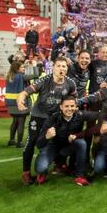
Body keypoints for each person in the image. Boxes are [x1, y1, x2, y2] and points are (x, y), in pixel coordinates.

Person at [17, 57, 77, 185]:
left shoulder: (70, 83)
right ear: (53, 67)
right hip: (38, 116)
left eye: (64, 66)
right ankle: (26, 173)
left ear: (67, 68)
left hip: (56, 118)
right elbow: (25, 92)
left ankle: (58, 165)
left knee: (59, 140)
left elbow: (74, 100)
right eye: (59, 66)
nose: (61, 69)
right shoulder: (44, 80)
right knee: (32, 142)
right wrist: (20, 99)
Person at [34, 96, 98, 186]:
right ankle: (44, 171)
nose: (69, 109)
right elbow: (39, 144)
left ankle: (79, 175)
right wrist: (46, 136)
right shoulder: (52, 118)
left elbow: (101, 115)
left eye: (72, 106)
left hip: (69, 146)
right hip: (53, 146)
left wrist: (105, 122)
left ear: (76, 107)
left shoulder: (80, 115)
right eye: (66, 106)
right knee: (40, 168)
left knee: (81, 143)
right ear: (61, 107)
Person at [5, 60, 39, 148]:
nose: (24, 68)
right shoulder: (21, 76)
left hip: (10, 102)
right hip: (21, 102)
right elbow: (35, 75)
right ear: (17, 69)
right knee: (21, 121)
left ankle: (11, 140)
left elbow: (26, 75)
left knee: (15, 121)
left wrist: (27, 66)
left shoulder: (10, 76)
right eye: (22, 67)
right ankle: (19, 142)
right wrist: (34, 66)